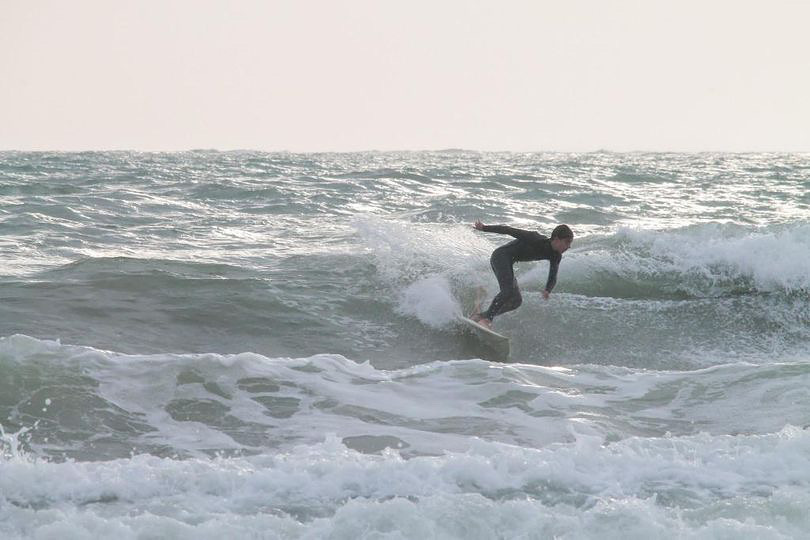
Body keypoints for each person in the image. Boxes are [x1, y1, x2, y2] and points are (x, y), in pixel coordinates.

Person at [471, 221, 573, 329]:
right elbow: (508, 230)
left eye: (570, 244)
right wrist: (484, 228)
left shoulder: (555, 256)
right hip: (500, 256)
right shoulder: (535, 239)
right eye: (567, 242)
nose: (568, 246)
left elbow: (553, 275)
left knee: (516, 301)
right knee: (508, 290)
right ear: (556, 239)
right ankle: (487, 319)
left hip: (508, 262)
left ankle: (480, 316)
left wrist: (548, 290)